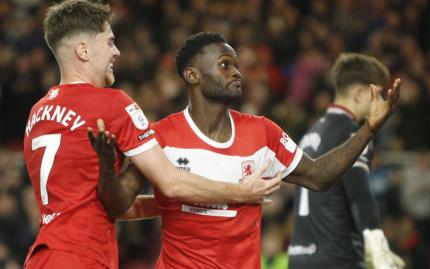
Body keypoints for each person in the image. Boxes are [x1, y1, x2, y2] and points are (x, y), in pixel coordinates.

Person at [94, 32, 401, 269]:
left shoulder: (262, 133)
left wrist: (369, 128)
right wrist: (108, 167)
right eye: (225, 65)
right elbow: (118, 204)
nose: (236, 72)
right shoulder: (162, 135)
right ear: (192, 75)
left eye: (237, 66)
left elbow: (320, 176)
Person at [22, 2, 280, 269]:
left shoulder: (38, 112)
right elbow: (170, 182)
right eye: (110, 42)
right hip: (82, 256)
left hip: (41, 255)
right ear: (83, 50)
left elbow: (96, 204)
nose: (117, 51)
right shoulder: (111, 104)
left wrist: (175, 205)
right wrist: (241, 192)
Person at [287, 53, 405, 269]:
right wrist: (377, 242)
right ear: (359, 93)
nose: (379, 105)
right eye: (376, 96)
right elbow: (359, 193)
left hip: (299, 257)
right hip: (338, 257)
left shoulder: (310, 134)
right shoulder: (352, 134)